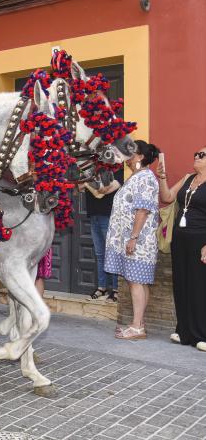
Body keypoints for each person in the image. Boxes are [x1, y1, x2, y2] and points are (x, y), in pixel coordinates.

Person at [106, 140, 161, 340]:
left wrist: (133, 237)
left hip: (138, 240)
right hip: (135, 240)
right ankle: (139, 324)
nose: (126, 157)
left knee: (135, 282)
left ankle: (137, 327)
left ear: (139, 157)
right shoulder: (137, 177)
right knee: (138, 282)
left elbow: (143, 210)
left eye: (130, 153)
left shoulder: (145, 178)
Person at [158, 146, 206, 352]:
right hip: (180, 239)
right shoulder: (188, 178)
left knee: (199, 286)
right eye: (196, 153)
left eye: (202, 155)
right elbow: (168, 197)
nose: (196, 156)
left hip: (200, 239)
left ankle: (201, 334)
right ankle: (184, 330)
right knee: (181, 283)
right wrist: (162, 178)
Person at [85, 170, 123, 302]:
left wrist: (87, 182)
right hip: (93, 214)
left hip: (109, 216)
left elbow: (104, 191)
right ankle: (102, 287)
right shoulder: (93, 169)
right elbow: (78, 186)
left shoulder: (120, 170)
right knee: (100, 254)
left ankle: (116, 289)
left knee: (111, 253)